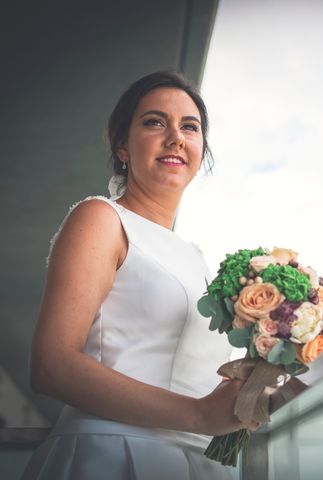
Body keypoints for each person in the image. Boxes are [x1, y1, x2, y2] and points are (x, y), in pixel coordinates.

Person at [22, 71, 255, 479]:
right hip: (111, 456)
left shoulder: (195, 259)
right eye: (154, 122)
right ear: (123, 146)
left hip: (194, 464)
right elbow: (51, 365)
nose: (176, 137)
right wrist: (198, 415)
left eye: (190, 126)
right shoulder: (101, 218)